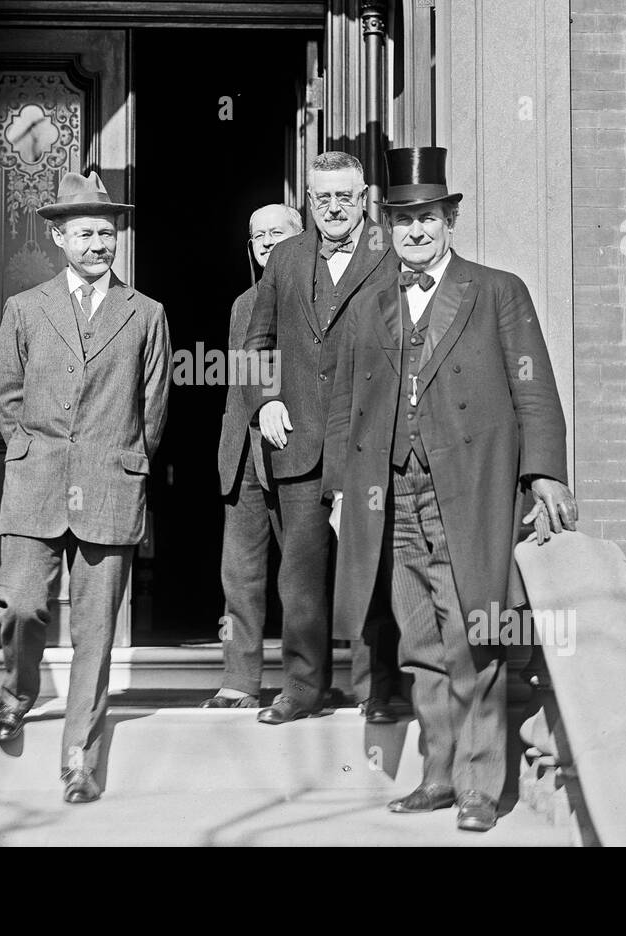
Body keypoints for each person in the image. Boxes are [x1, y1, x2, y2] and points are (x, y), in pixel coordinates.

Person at [324, 146, 577, 832]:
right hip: (392, 497)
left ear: (450, 220)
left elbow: (534, 390)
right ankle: (437, 777)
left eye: (428, 218)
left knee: (475, 637)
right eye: (403, 220)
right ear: (388, 225)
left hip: (472, 492)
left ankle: (478, 787)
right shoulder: (370, 304)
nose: (415, 231)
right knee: (418, 642)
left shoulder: (498, 291)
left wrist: (545, 474)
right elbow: (347, 405)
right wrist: (345, 492)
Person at [0, 171, 170, 805]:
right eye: (84, 233)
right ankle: (17, 690)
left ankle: (78, 760)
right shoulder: (26, 308)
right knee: (21, 604)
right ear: (58, 238)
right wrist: (32, 449)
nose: (98, 243)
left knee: (96, 632)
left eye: (106, 232)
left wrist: (120, 459)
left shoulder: (146, 313)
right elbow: (6, 395)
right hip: (35, 484)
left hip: (110, 486)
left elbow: (153, 407)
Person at [242, 152, 400, 725]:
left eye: (345, 197)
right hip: (299, 439)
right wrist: (266, 401)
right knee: (301, 576)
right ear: (310, 201)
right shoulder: (285, 257)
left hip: (368, 440)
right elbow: (254, 346)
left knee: (373, 566)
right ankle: (303, 688)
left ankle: (376, 688)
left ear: (364, 200)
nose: (334, 207)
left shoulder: (390, 253)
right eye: (323, 197)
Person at [201, 204, 301, 709]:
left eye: (277, 232)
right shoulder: (243, 303)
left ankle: (306, 681)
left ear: (300, 238)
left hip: (292, 452)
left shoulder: (312, 296)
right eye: (257, 235)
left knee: (301, 576)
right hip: (241, 454)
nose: (265, 241)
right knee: (239, 575)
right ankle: (239, 680)